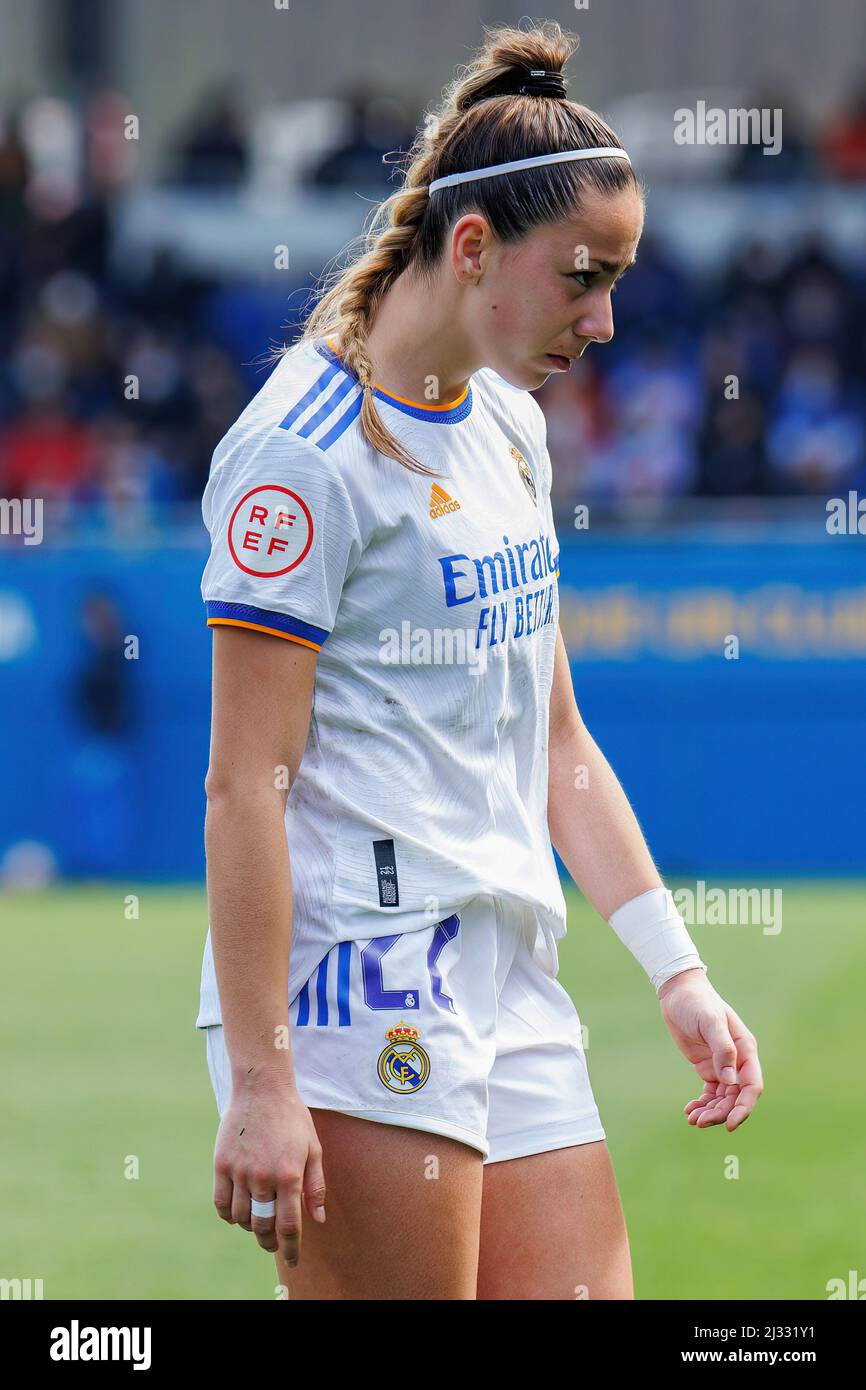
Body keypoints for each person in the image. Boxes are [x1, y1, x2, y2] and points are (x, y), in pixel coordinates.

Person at [195, 21, 764, 1301]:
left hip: (509, 970)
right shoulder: (300, 457)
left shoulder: (506, 417)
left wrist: (677, 968)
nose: (606, 318)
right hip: (358, 979)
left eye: (616, 278)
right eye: (581, 277)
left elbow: (557, 742)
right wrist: (264, 1077)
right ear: (469, 250)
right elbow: (245, 789)